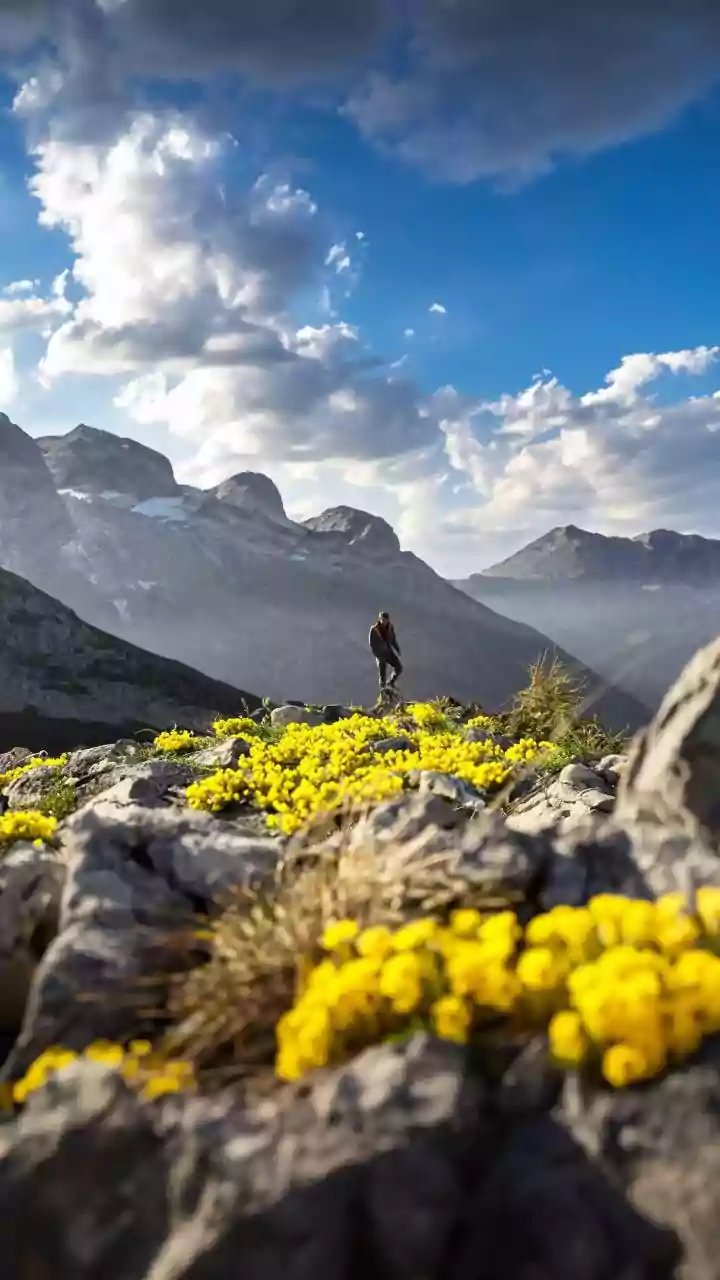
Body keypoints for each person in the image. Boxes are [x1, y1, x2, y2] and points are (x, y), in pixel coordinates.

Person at [369, 611, 403, 691]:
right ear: (380, 619)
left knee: (399, 668)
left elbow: (393, 639)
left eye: (385, 620)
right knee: (382, 675)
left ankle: (391, 682)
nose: (384, 621)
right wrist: (377, 654)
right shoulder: (374, 630)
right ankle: (383, 692)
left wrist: (397, 649)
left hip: (388, 652)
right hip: (380, 654)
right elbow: (372, 644)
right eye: (382, 620)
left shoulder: (390, 627)